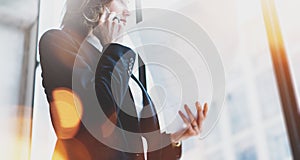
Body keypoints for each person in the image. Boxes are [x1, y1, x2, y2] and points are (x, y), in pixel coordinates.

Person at [39, 0, 208, 159]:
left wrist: (175, 137)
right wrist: (112, 47)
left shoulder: (121, 62)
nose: (127, 12)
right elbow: (98, 119)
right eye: (120, 1)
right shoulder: (57, 43)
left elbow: (133, 146)